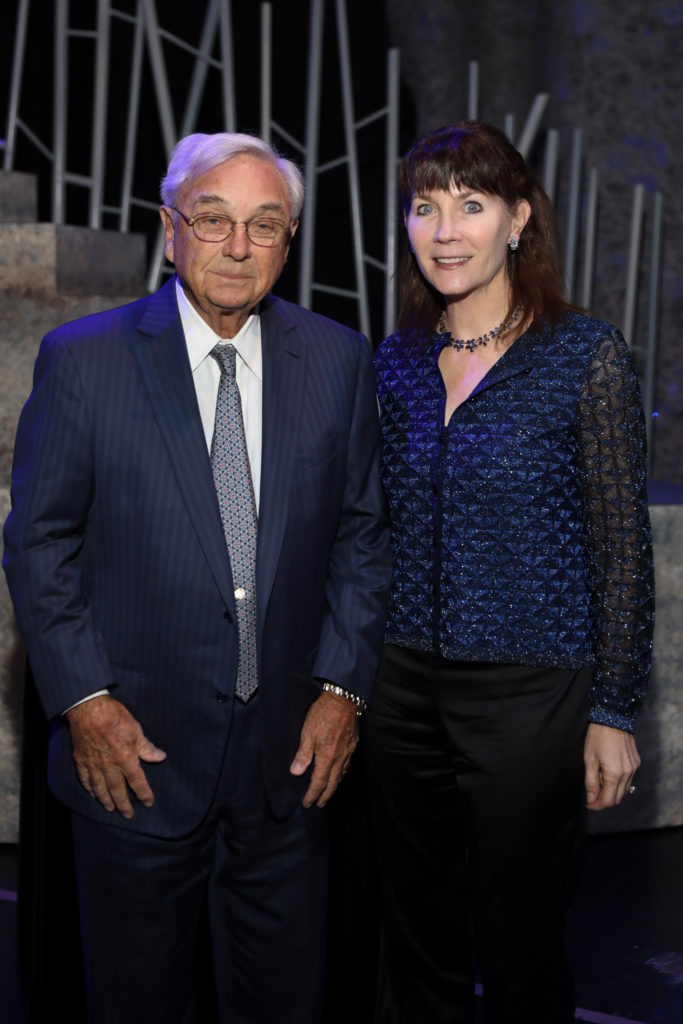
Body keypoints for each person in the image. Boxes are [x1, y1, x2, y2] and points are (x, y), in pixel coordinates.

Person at [3, 131, 391, 1024]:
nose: (238, 246)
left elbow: (364, 536)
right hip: (133, 764)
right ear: (171, 231)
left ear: (289, 242)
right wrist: (87, 704)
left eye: (265, 225)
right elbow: (41, 545)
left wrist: (342, 689)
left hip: (290, 770)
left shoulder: (337, 360)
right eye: (213, 220)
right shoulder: (86, 359)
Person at [365, 122, 654, 1024]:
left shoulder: (583, 355)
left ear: (517, 219)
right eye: (425, 206)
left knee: (521, 941)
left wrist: (612, 708)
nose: (445, 230)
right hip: (400, 687)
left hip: (532, 694)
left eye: (471, 204)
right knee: (415, 938)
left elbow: (620, 547)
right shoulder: (396, 360)